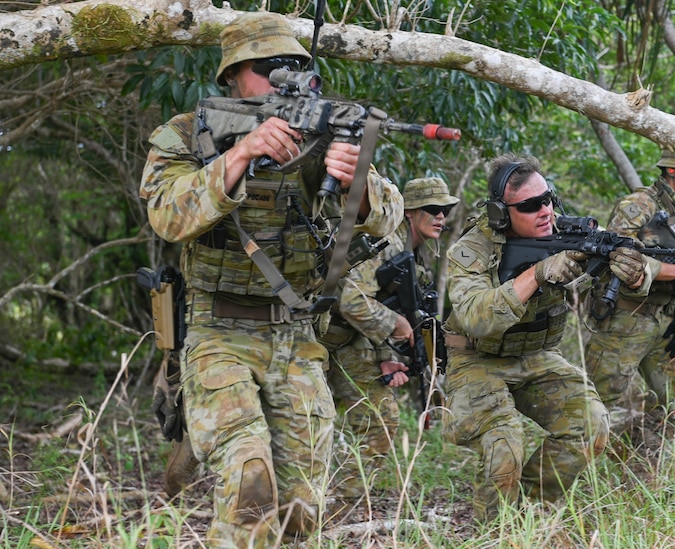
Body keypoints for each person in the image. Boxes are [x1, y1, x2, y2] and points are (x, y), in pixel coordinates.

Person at [139, 11, 403, 548]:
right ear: (233, 76)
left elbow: (389, 215)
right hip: (218, 335)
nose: (282, 77)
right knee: (249, 482)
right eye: (266, 67)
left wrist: (357, 182)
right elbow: (168, 215)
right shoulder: (189, 134)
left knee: (302, 512)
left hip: (296, 339)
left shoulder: (321, 134)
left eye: (295, 65)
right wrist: (242, 152)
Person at [441, 153, 646, 522]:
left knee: (590, 423)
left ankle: (530, 514)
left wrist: (633, 277)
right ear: (501, 213)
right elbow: (475, 317)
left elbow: (610, 297)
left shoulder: (566, 235)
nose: (546, 210)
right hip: (476, 359)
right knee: (504, 448)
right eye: (532, 205)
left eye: (548, 198)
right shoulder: (471, 250)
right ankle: (495, 532)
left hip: (535, 356)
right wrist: (537, 274)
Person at [319, 177, 459, 517]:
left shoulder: (412, 253)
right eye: (433, 209)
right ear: (409, 212)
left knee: (380, 420)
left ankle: (334, 508)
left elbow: (382, 306)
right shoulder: (382, 243)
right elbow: (348, 297)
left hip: (349, 342)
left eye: (446, 210)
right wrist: (392, 327)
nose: (441, 216)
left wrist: (385, 356)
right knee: (307, 426)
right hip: (317, 337)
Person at [583, 148, 675, 451]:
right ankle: (549, 486)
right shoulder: (638, 205)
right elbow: (619, 256)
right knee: (592, 408)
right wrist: (671, 274)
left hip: (665, 321)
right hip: (624, 323)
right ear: (671, 171)